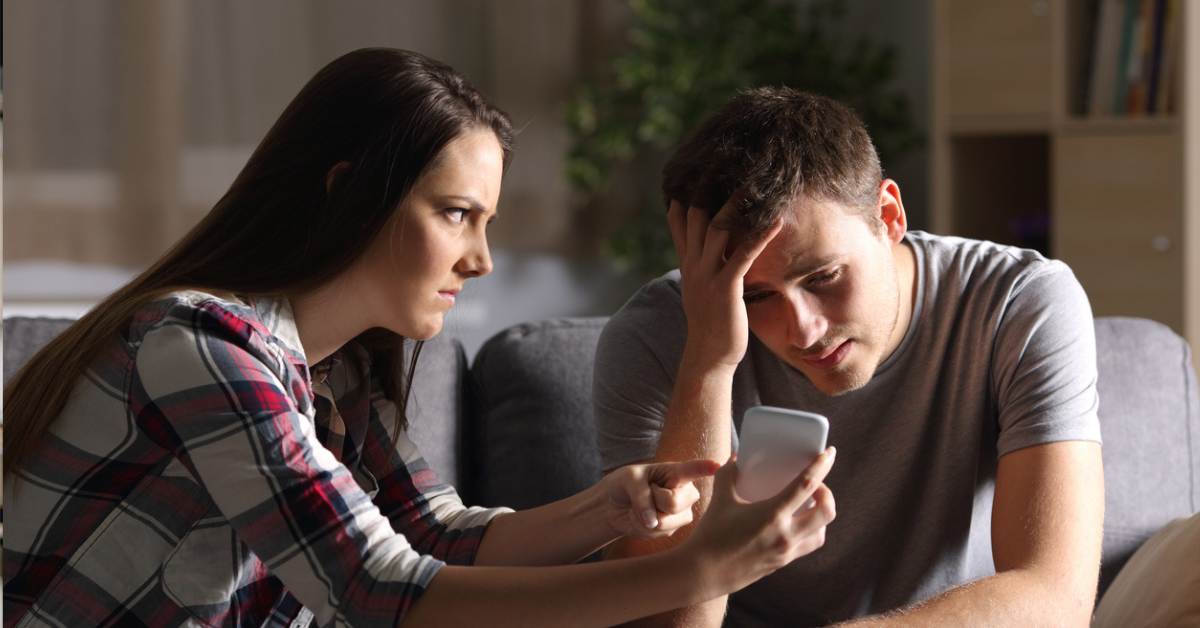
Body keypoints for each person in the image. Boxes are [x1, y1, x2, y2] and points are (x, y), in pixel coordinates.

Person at [2, 49, 838, 628]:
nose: (480, 260)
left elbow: (428, 533)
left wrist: (604, 506)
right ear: (349, 193)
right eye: (456, 215)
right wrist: (704, 571)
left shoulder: (339, 374)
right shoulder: (194, 346)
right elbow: (373, 590)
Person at [594, 88, 1105, 627]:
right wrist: (707, 363)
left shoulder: (1019, 304)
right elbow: (669, 625)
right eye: (756, 296)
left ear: (888, 215)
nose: (805, 330)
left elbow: (1055, 603)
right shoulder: (655, 336)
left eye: (823, 277)